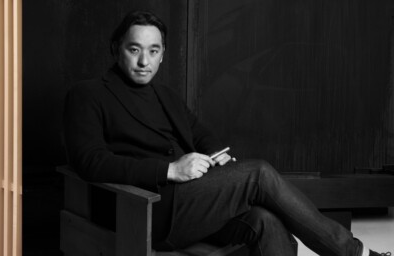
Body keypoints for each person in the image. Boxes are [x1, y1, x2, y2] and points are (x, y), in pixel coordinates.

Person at [63, 10, 389, 256]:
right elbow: (90, 161)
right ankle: (353, 253)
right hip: (146, 207)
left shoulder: (166, 96)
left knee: (264, 220)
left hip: (193, 201)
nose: (143, 61)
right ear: (116, 48)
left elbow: (202, 134)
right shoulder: (89, 94)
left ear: (162, 54)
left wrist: (217, 157)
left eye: (153, 50)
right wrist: (170, 170)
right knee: (258, 173)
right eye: (134, 50)